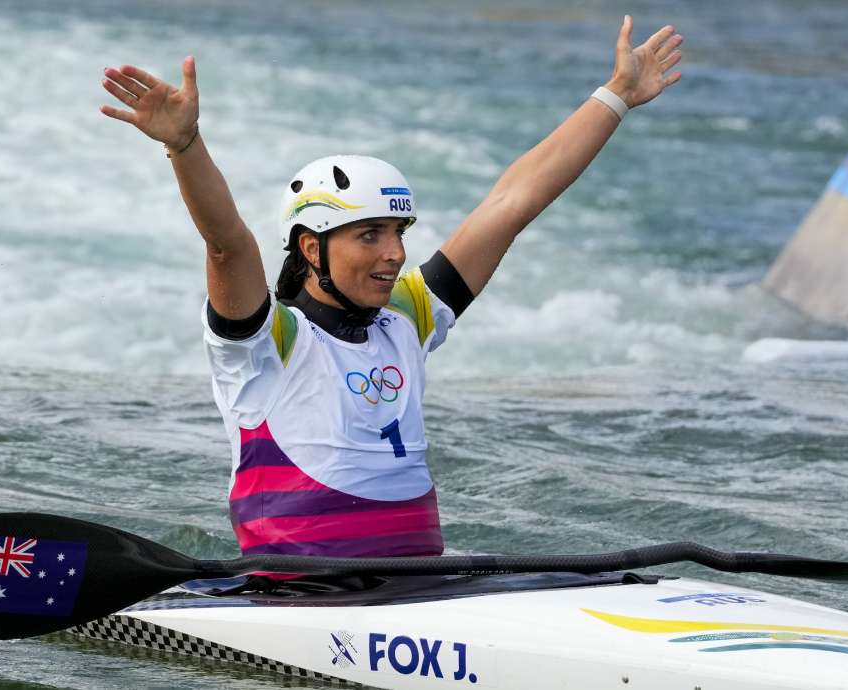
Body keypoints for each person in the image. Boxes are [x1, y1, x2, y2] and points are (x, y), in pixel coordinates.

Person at [100, 16, 683, 561]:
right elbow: (228, 244)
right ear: (311, 247)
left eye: (399, 233)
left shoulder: (408, 317)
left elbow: (513, 203)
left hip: (420, 582)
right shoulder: (265, 341)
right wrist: (185, 144)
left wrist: (615, 97)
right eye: (370, 235)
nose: (396, 253)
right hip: (300, 595)